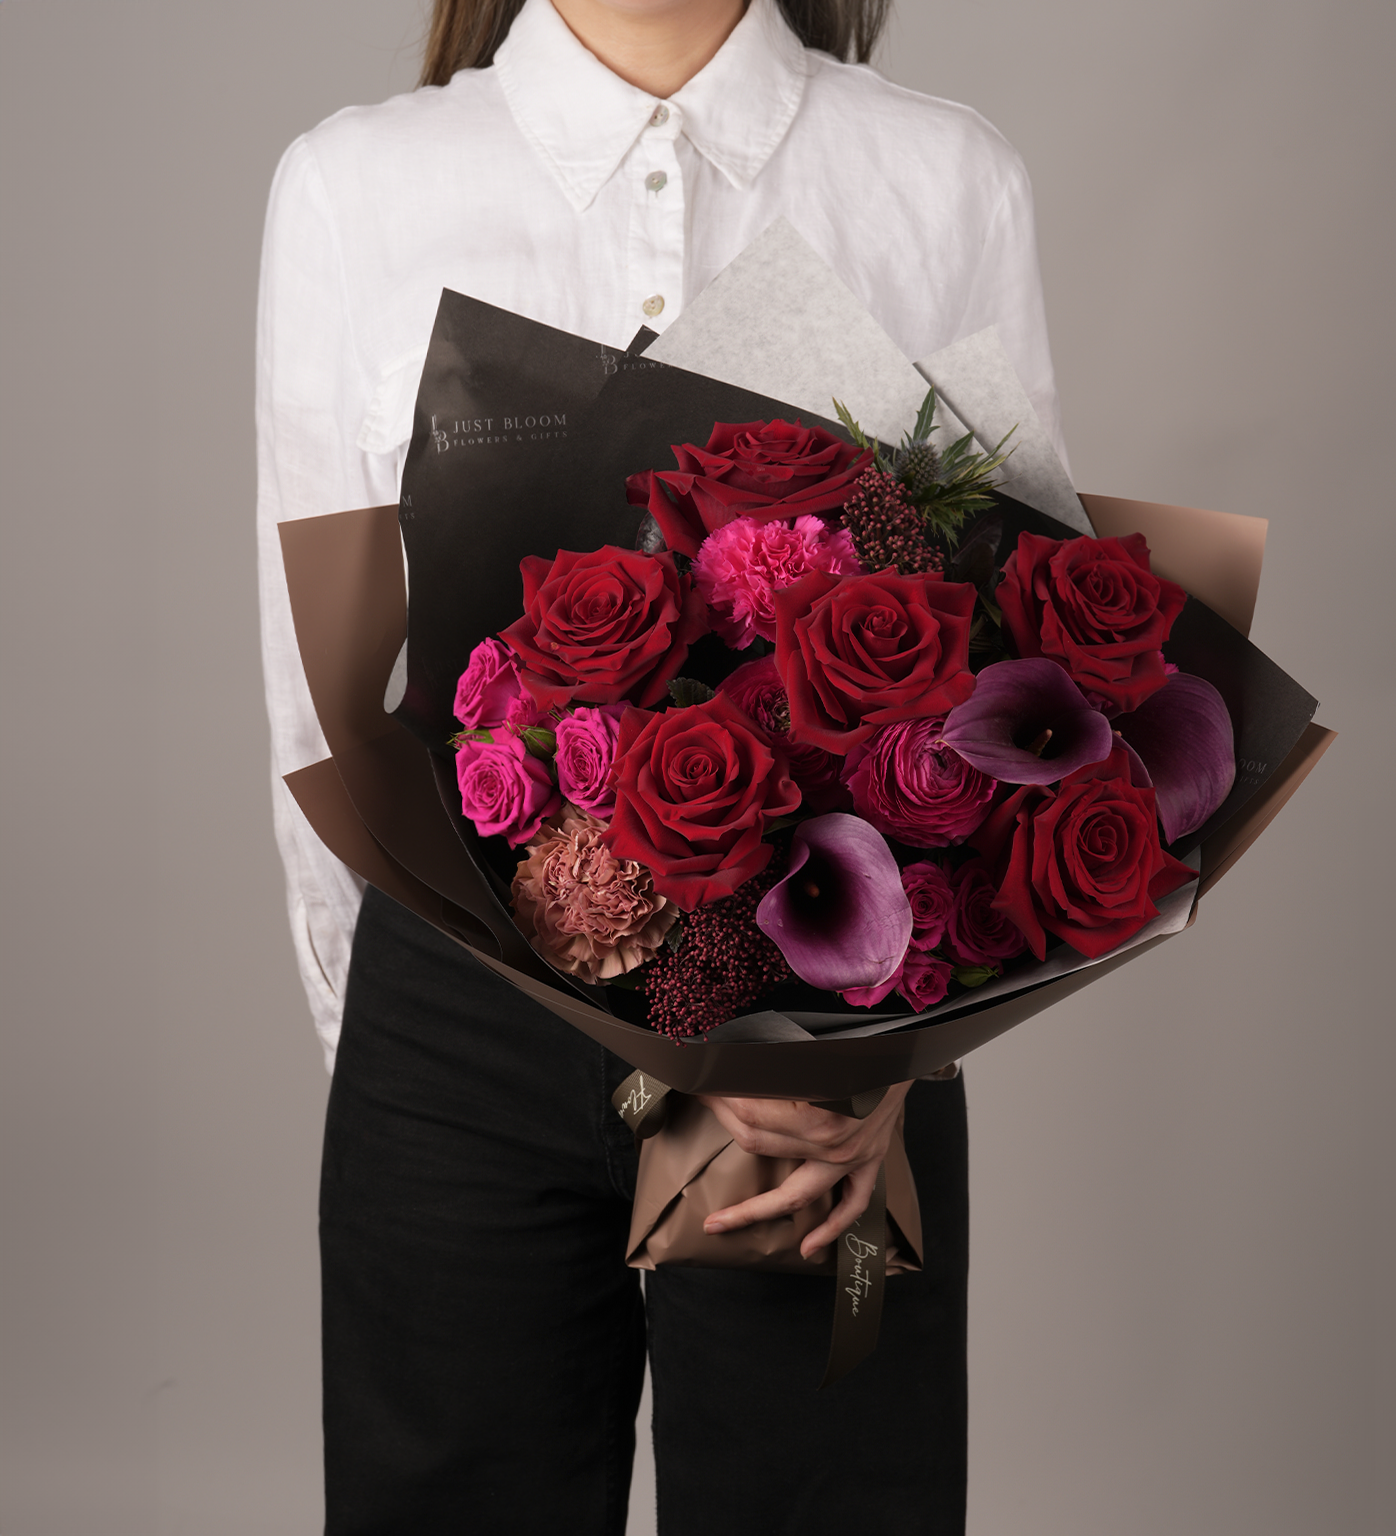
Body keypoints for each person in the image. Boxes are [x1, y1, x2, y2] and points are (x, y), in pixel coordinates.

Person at [256, 0, 1067, 1530]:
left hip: (821, 1037)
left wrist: (896, 1057)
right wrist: (391, 1062)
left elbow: (1019, 672)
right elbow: (318, 697)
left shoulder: (941, 179)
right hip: (456, 1017)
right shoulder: (357, 187)